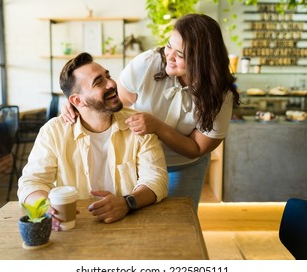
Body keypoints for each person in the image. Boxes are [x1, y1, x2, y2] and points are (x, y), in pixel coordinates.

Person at [61, 14, 240, 209]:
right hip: (141, 162)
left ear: (202, 59)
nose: (169, 56)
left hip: (184, 167)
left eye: (180, 55)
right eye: (169, 46)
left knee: (177, 225)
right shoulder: (148, 63)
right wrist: (81, 104)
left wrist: (157, 127)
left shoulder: (221, 94)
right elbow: (114, 102)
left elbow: (197, 148)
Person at [18, 52, 168, 229]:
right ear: (76, 100)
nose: (112, 84)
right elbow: (32, 182)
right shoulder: (54, 131)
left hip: (131, 222)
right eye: (99, 82)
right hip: (75, 226)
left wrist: (127, 203)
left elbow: (156, 179)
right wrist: (46, 206)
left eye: (108, 76)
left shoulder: (138, 124)